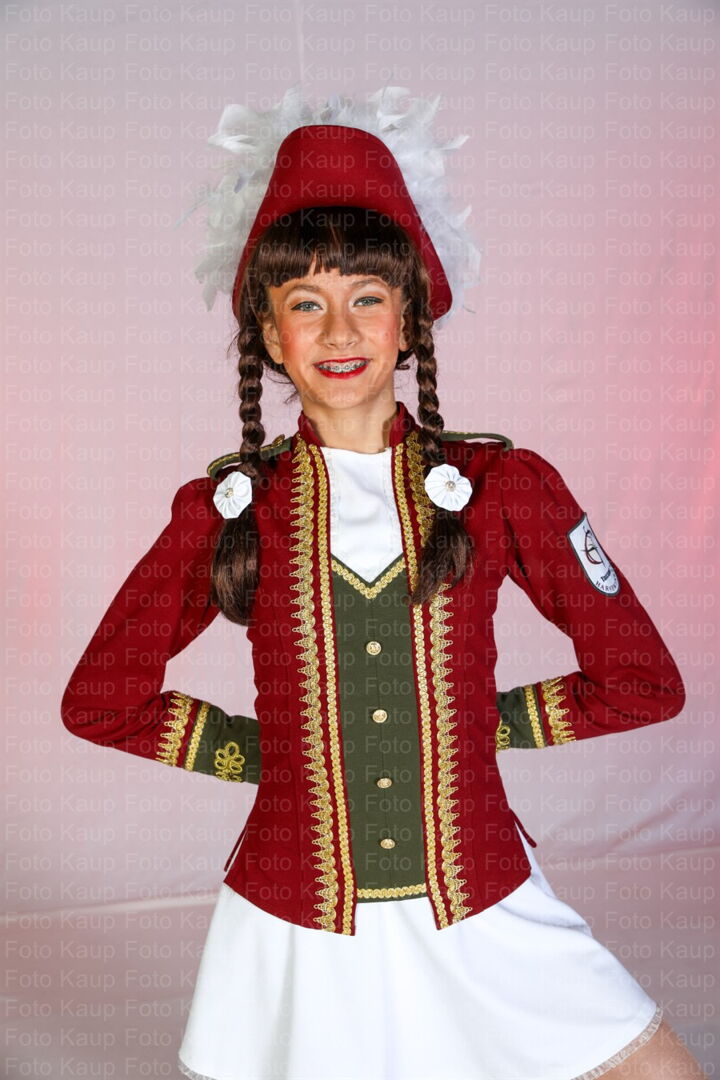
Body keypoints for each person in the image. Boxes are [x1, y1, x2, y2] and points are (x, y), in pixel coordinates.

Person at [61, 89, 707, 1080]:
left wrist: (478, 726)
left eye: (367, 296)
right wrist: (266, 753)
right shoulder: (229, 509)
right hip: (295, 923)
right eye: (305, 303)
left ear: (409, 321)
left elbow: (643, 682)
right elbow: (101, 700)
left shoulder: (504, 486)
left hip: (481, 897)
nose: (339, 328)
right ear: (269, 332)